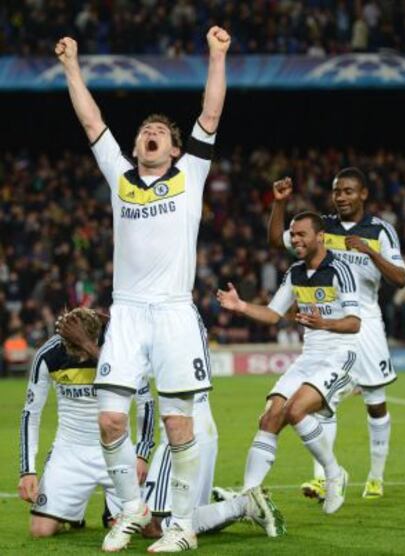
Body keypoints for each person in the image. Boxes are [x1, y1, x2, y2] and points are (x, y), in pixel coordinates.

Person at [55, 26, 230, 553]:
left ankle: (180, 526)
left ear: (175, 149)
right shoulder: (120, 176)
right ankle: (131, 511)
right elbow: (90, 118)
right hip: (127, 312)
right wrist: (71, 65)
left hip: (174, 313)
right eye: (145, 130)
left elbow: (212, 112)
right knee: (110, 419)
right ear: (136, 146)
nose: (150, 132)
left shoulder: (190, 175)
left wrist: (216, 55)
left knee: (180, 427)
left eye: (160, 131)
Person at [59, 310, 285, 541]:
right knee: (181, 517)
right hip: (198, 427)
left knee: (156, 526)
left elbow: (126, 373)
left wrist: (86, 343)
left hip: (182, 434)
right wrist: (112, 318)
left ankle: (244, 505)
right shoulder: (180, 315)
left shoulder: (167, 323)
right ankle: (242, 505)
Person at [268, 170, 405, 499]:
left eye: (348, 191)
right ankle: (323, 477)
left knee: (374, 401)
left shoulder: (380, 230)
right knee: (320, 401)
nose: (341, 197)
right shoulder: (322, 227)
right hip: (329, 323)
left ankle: (375, 476)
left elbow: (400, 278)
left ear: (363, 195)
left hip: (367, 322)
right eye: (336, 192)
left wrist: (369, 252)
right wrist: (279, 204)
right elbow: (277, 240)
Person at [217, 212, 361, 515]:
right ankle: (247, 495)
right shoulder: (295, 272)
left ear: (319, 236)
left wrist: (325, 323)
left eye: (301, 235)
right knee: (269, 418)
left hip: (340, 354)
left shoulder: (340, 270)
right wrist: (240, 305)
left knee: (296, 410)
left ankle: (334, 474)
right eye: (293, 235)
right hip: (309, 357)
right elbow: (273, 314)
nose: (295, 240)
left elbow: (354, 323)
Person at [17, 308, 153, 537]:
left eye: (81, 348)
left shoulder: (120, 349)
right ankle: (73, 513)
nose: (79, 357)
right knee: (40, 531)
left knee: (148, 528)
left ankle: (110, 512)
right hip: (69, 452)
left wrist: (141, 455)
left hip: (117, 452)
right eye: (73, 348)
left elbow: (145, 404)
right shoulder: (48, 355)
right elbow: (31, 413)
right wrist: (27, 471)